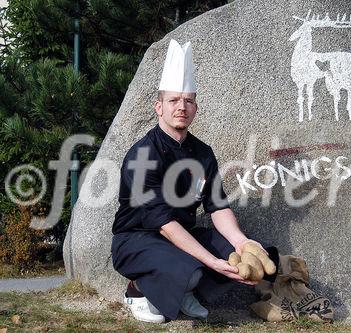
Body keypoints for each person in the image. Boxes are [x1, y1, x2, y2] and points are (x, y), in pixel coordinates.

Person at [111, 39, 278, 323]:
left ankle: (183, 289)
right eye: (173, 100)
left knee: (248, 255)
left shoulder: (202, 153)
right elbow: (163, 224)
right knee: (195, 268)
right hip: (137, 240)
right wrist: (209, 260)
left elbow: (217, 207)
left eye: (188, 100)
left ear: (196, 108)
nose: (181, 107)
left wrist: (242, 243)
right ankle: (138, 290)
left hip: (179, 237)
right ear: (158, 106)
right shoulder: (142, 155)